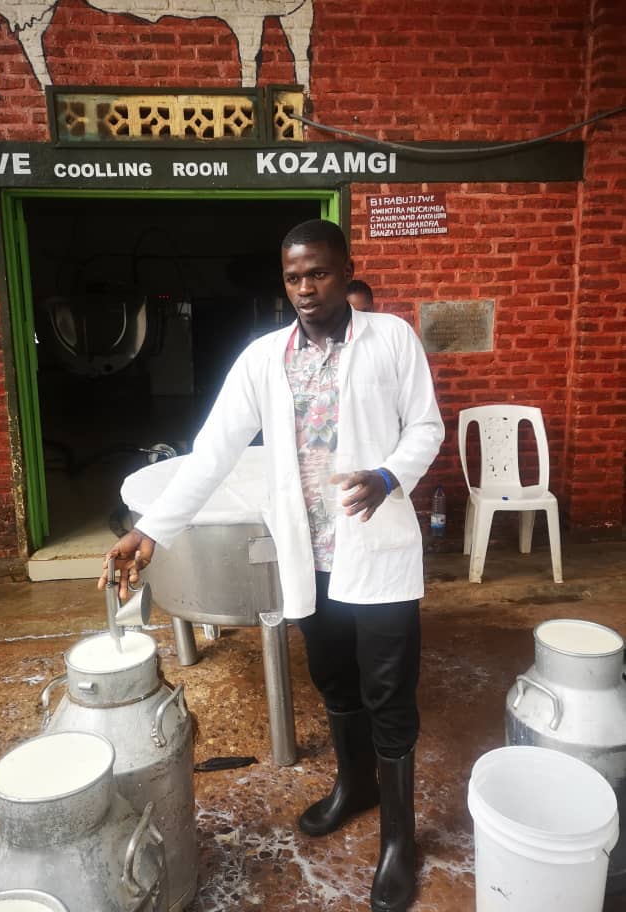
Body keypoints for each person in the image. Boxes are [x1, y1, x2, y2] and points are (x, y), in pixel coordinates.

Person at [99, 219, 444, 912]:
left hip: (376, 553)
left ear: (346, 270)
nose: (306, 288)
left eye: (318, 272)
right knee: (334, 681)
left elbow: (427, 425)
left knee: (390, 695)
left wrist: (389, 474)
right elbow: (212, 452)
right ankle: (355, 787)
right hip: (308, 558)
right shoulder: (263, 359)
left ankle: (400, 842)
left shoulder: (392, 338)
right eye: (293, 277)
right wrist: (152, 532)